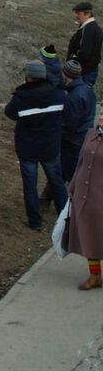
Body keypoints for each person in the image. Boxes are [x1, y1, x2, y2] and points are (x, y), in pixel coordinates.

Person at [5, 59, 68, 231]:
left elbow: (9, 112)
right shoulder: (57, 94)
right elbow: (65, 113)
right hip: (50, 146)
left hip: (28, 148)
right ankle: (65, 219)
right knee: (57, 182)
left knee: (30, 185)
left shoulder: (22, 97)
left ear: (28, 77)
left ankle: (35, 222)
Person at [67, 110, 103, 290]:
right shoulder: (92, 133)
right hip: (85, 193)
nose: (101, 117)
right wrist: (73, 186)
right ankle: (95, 276)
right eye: (102, 113)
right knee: (90, 236)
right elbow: (81, 161)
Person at [62, 59, 97, 183]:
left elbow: (71, 123)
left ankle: (72, 200)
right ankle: (47, 198)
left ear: (66, 75)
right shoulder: (87, 89)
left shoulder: (74, 97)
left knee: (70, 174)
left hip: (73, 140)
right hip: (84, 135)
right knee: (63, 171)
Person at [69, 2, 102, 87]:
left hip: (84, 72)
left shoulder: (88, 29)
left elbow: (84, 52)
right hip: (90, 70)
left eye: (78, 13)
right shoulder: (94, 27)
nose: (76, 16)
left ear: (87, 13)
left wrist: (72, 60)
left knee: (80, 95)